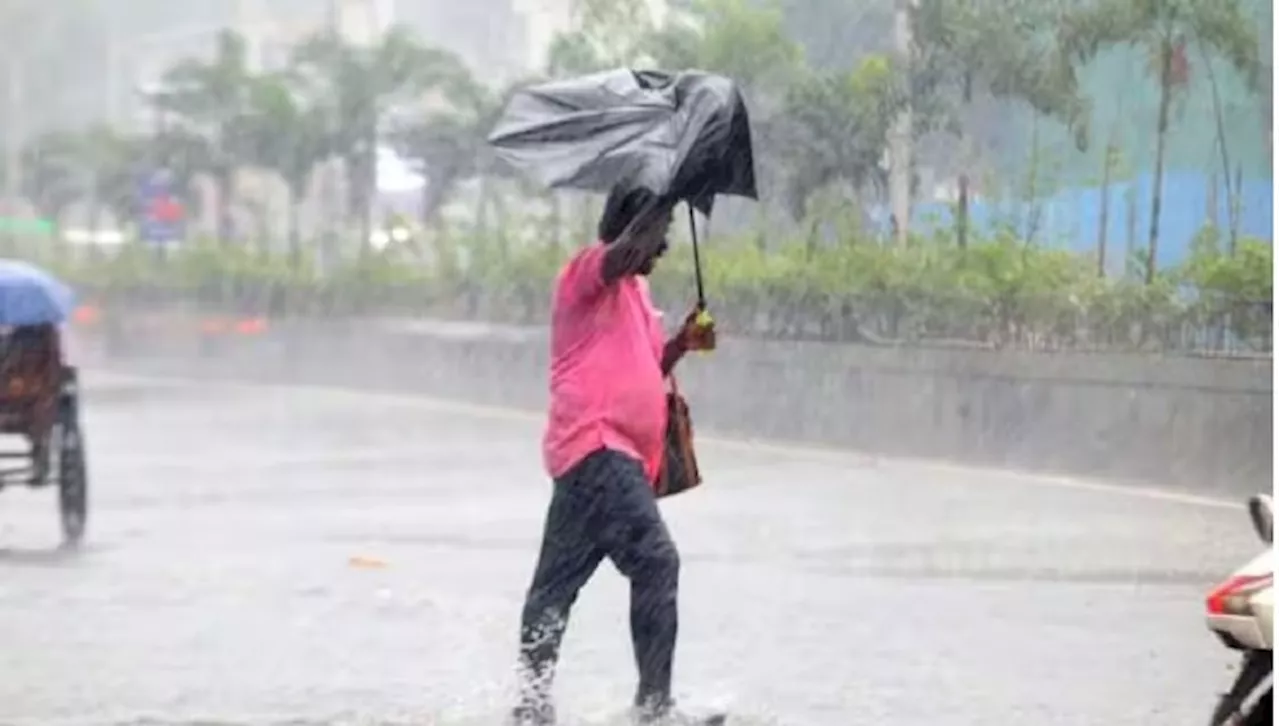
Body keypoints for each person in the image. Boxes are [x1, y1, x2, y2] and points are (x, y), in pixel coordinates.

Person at [512, 186, 716, 726]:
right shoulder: (587, 274)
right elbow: (624, 252)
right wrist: (667, 195)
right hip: (600, 449)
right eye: (659, 235)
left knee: (553, 588)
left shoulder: (637, 297)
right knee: (656, 560)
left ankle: (530, 705)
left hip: (594, 460)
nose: (664, 248)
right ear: (633, 228)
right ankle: (654, 710)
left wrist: (681, 344)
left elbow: (647, 368)